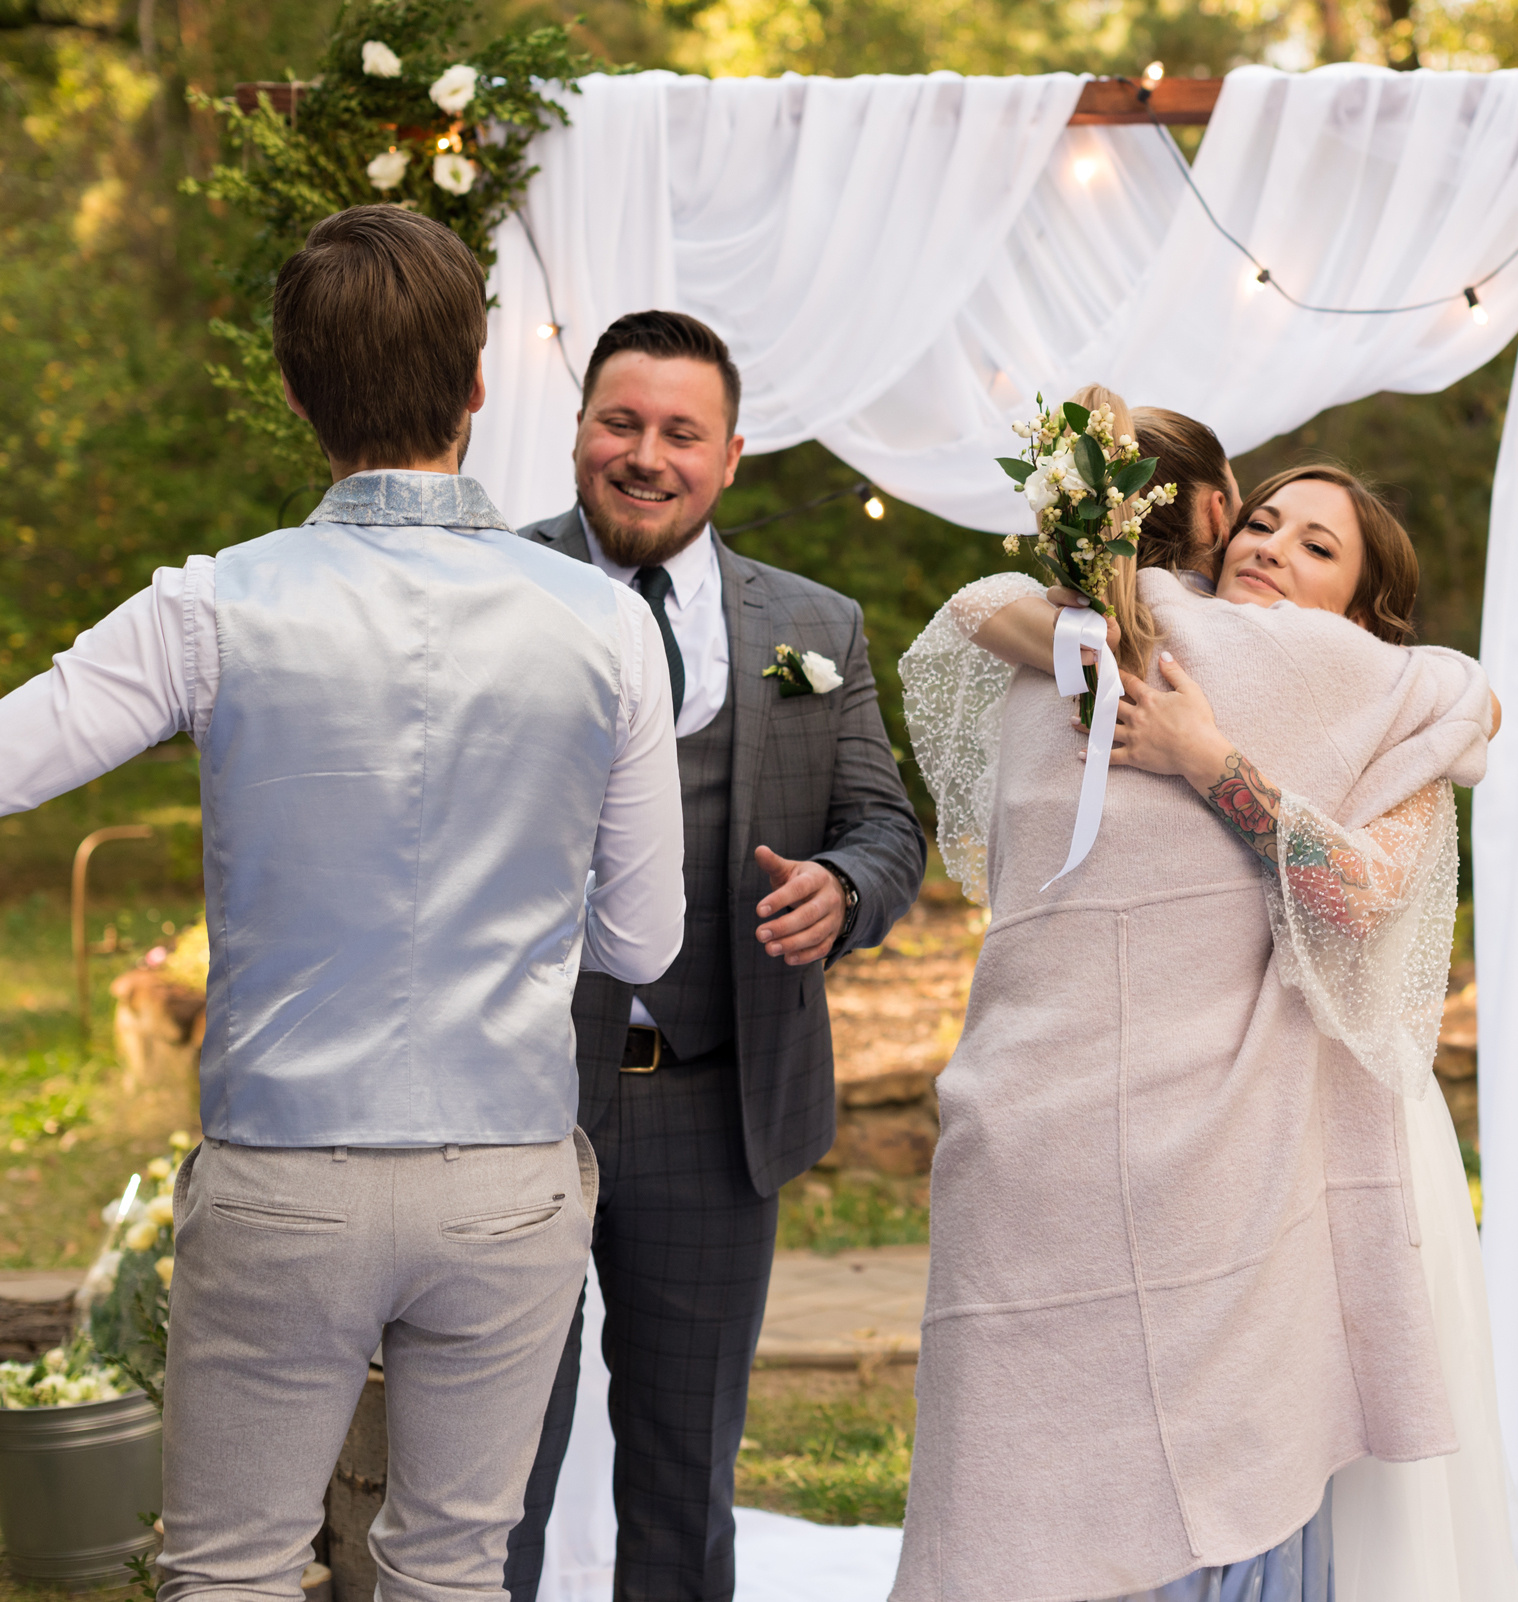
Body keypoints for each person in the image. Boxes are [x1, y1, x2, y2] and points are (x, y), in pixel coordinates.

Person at [0, 205, 686, 1602]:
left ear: (297, 391)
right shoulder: (608, 621)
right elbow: (644, 940)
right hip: (504, 1174)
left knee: (234, 1569)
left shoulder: (213, 606)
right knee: (450, 1571)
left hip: (284, 1173)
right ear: (482, 385)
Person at [893, 388, 1497, 1602]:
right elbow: (978, 610)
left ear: (1365, 607)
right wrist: (1100, 633)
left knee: (1251, 1433)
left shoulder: (1371, 697)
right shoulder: (1111, 638)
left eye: (1317, 546)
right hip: (1068, 1107)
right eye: (1263, 525)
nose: (1273, 547)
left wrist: (1212, 761)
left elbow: (1367, 892)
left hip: (1298, 1122)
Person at [504, 309, 926, 1602]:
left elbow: (885, 821)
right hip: (506, 1095)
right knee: (486, 1473)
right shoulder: (490, 588)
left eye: (679, 432)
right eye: (620, 423)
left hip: (712, 1097)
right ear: (578, 429)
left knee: (685, 1480)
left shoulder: (814, 623)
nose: (646, 454)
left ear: (730, 453)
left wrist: (844, 890)